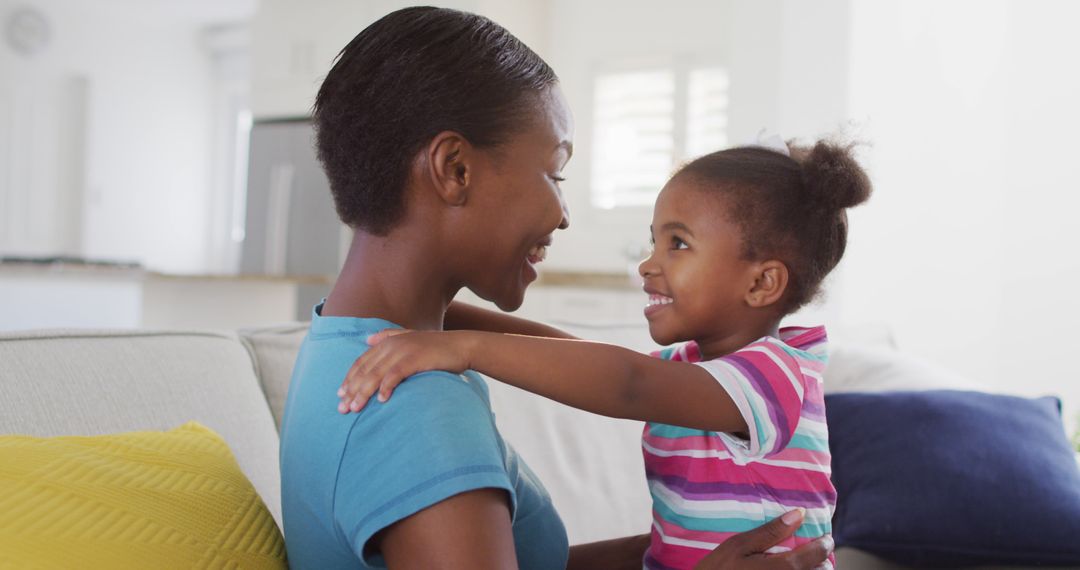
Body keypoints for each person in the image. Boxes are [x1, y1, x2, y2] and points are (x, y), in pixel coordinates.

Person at [280, 5, 834, 569]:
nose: (564, 214)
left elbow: (590, 362)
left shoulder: (351, 342)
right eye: (556, 172)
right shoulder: (412, 404)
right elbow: (624, 379)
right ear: (455, 169)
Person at [337, 137, 872, 568]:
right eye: (654, 241)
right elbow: (577, 355)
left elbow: (625, 382)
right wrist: (435, 309)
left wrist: (464, 347)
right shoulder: (699, 374)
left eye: (678, 244)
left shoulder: (774, 375)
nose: (648, 264)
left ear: (762, 284)